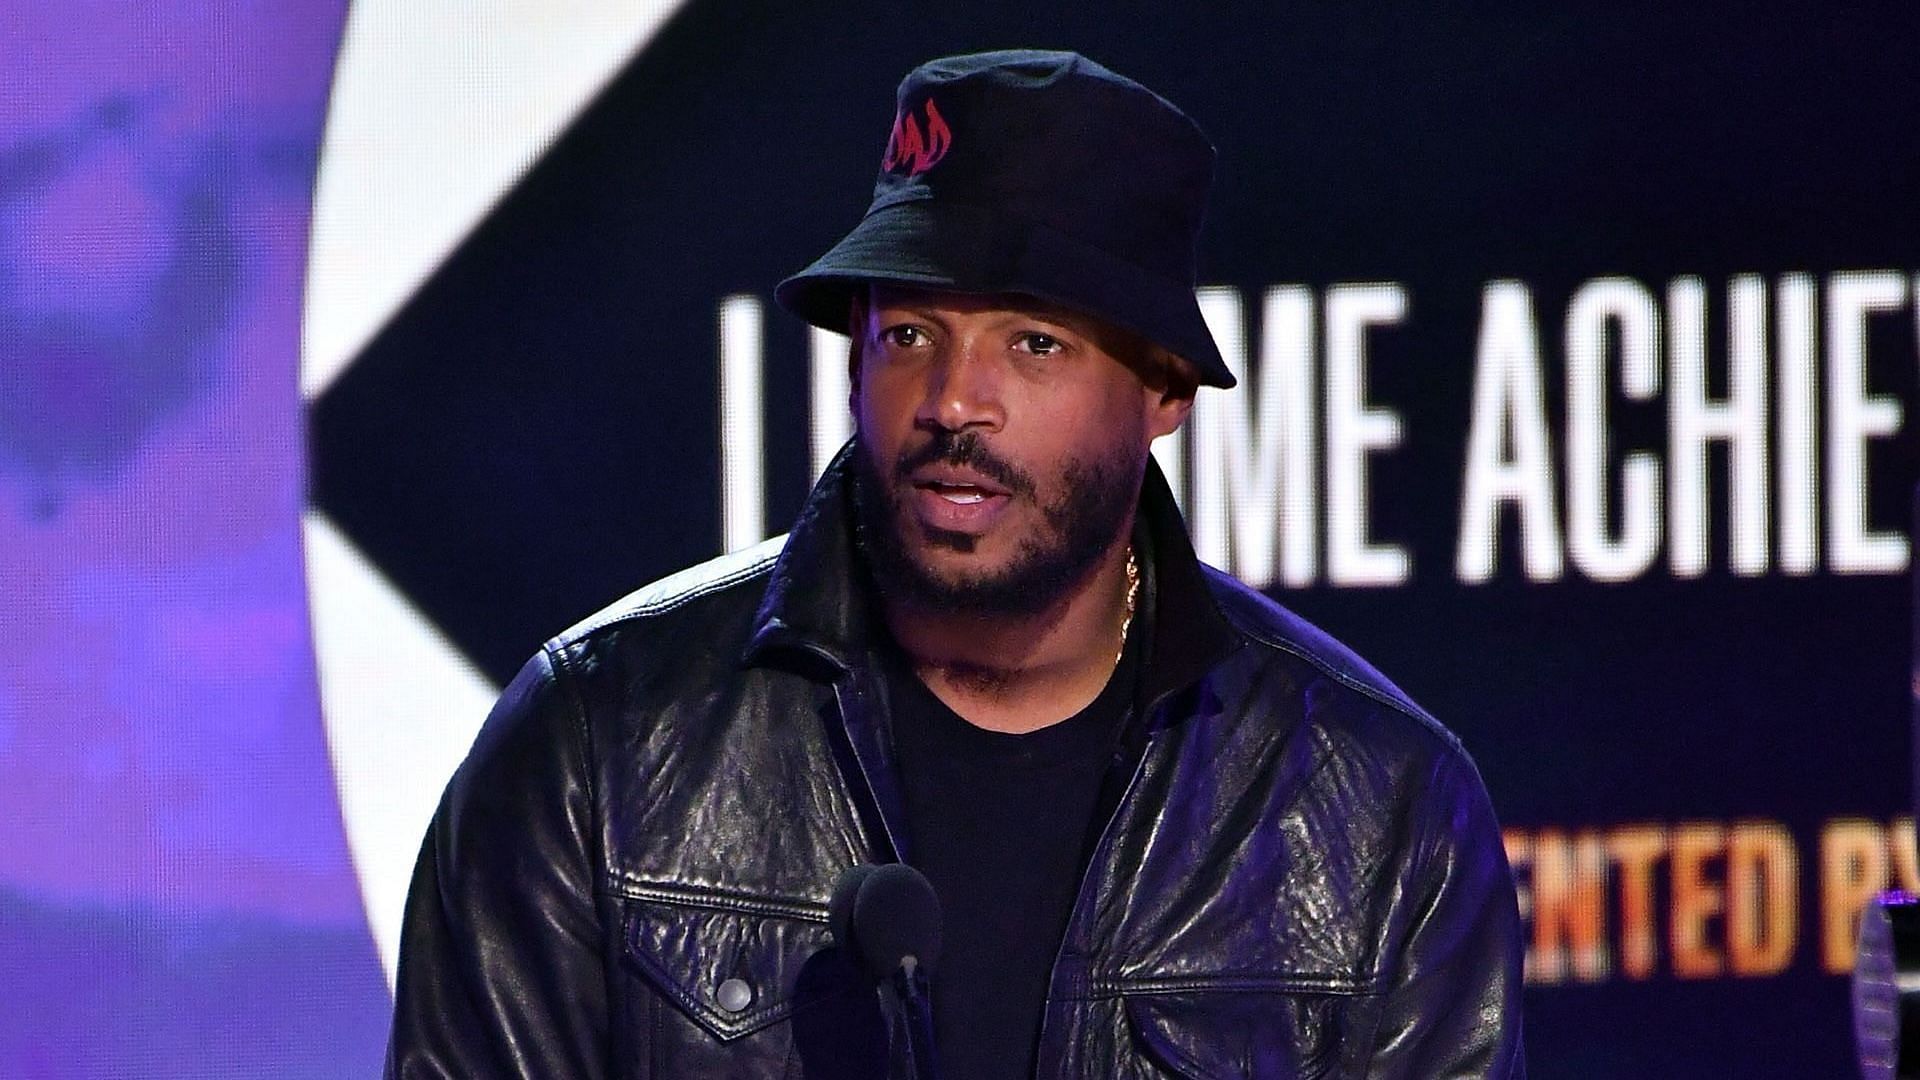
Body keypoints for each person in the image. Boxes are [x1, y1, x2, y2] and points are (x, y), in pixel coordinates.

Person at [384, 49, 1525, 1079]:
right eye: (910, 334)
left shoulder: (1378, 810)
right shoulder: (596, 742)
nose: (953, 402)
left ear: (1166, 389)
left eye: (1034, 343)